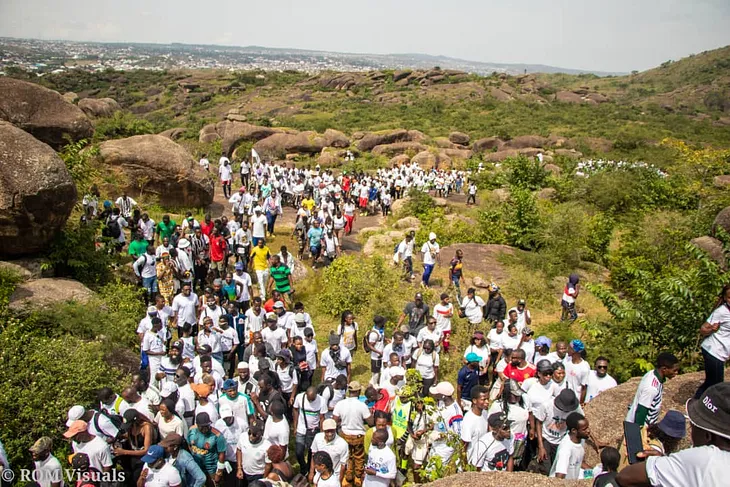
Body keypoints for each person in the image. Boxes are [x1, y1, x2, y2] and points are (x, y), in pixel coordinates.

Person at [615, 383, 730, 487]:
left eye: (693, 425)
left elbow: (624, 477)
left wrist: (663, 462)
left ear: (708, 436)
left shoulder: (704, 459)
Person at [333, 381, 374, 487]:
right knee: (359, 457)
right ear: (359, 391)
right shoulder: (362, 405)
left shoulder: (340, 404)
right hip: (358, 435)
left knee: (347, 457)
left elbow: (335, 420)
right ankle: (358, 478)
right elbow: (371, 423)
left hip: (345, 434)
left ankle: (348, 477)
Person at [534, 389, 584, 474]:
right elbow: (538, 422)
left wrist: (595, 439)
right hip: (546, 439)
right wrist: (541, 446)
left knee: (558, 468)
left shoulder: (576, 408)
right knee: (546, 468)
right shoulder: (546, 405)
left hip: (562, 440)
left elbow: (582, 423)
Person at [695, 283, 730, 398]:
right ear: (725, 298)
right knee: (716, 386)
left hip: (720, 352)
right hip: (714, 351)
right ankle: (697, 405)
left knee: (712, 383)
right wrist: (712, 328)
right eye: (729, 297)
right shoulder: (721, 311)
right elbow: (703, 329)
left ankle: (697, 404)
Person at [625, 352, 679, 426]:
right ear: (664, 369)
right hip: (637, 426)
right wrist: (641, 432)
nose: (676, 373)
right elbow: (641, 412)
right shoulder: (651, 388)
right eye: (674, 370)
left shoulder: (652, 374)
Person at [187, 412, 227, 485]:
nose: (205, 429)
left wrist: (219, 472)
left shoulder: (217, 435)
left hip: (211, 468)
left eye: (207, 426)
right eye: (202, 427)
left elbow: (222, 454)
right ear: (197, 425)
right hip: (196, 466)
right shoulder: (192, 431)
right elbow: (189, 444)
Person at [549, 412, 591, 479]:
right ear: (574, 430)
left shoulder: (580, 440)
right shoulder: (566, 449)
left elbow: (577, 461)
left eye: (588, 427)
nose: (588, 431)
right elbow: (559, 477)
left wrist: (592, 471)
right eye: (584, 429)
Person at [310, 419, 349, 485]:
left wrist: (339, 482)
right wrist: (311, 472)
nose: (330, 434)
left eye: (332, 431)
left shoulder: (343, 444)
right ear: (323, 430)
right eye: (327, 431)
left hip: (334, 476)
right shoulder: (317, 438)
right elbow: (313, 456)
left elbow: (343, 465)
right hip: (319, 473)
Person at [461, 385, 489, 469]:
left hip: (481, 462)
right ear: (474, 401)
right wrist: (465, 467)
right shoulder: (468, 420)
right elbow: (463, 447)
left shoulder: (485, 413)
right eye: (483, 399)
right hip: (471, 464)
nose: (487, 402)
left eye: (488, 399)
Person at [565, 339, 591, 405]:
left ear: (574, 351)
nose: (567, 350)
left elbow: (584, 388)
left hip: (575, 400)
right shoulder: (567, 361)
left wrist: (580, 403)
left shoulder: (584, 367)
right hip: (565, 398)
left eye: (569, 348)